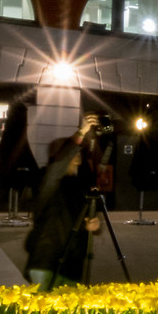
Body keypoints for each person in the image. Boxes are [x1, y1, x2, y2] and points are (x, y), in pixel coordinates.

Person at [24, 125, 102, 291]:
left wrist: (93, 224)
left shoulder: (78, 185)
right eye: (73, 150)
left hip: (73, 263)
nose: (78, 152)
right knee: (43, 313)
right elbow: (57, 168)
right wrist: (80, 133)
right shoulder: (46, 181)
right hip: (46, 260)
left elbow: (82, 218)